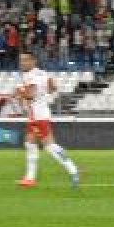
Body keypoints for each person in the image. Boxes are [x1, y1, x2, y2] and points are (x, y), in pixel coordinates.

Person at [15, 52, 80, 188]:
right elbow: (53, 87)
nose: (22, 63)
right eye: (21, 60)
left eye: (25, 60)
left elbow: (30, 95)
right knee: (30, 144)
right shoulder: (42, 73)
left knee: (49, 146)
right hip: (39, 114)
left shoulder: (30, 76)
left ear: (33, 61)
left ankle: (73, 169)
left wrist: (19, 93)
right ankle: (30, 178)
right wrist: (42, 94)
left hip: (38, 116)